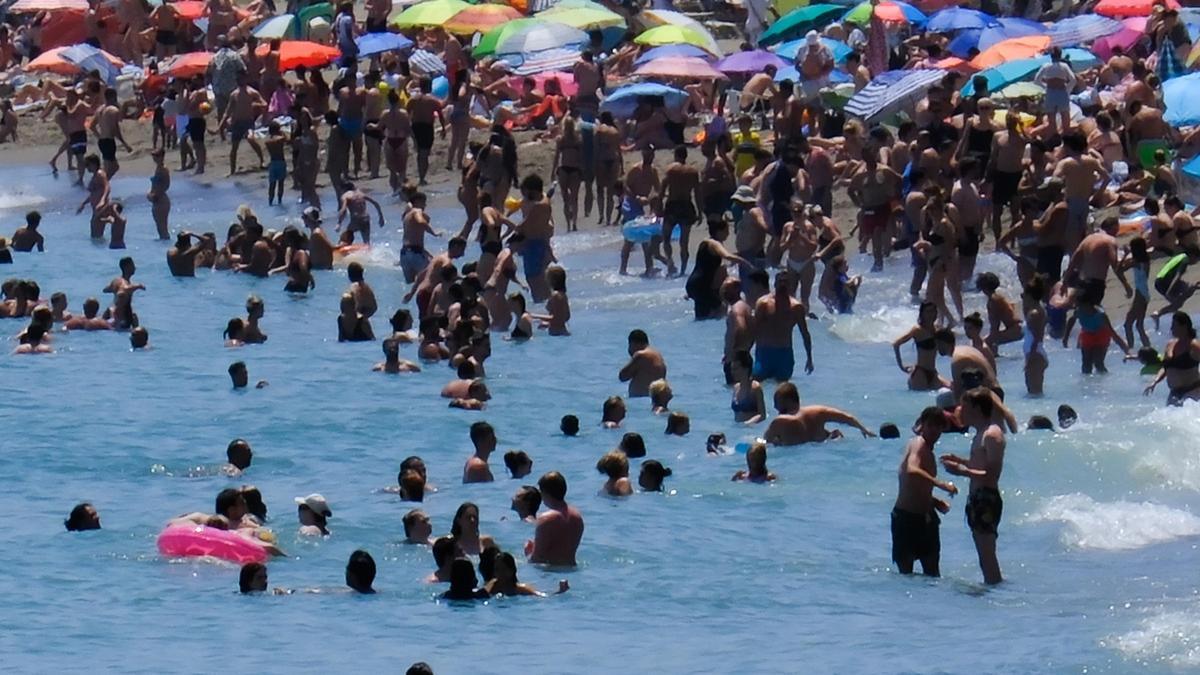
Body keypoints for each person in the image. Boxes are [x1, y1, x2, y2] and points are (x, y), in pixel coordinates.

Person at [940, 388, 1006, 585]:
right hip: (977, 498)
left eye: (965, 407)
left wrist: (960, 471)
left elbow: (992, 474)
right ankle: (991, 588)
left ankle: (994, 594)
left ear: (977, 408)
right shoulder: (980, 433)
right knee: (983, 554)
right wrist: (959, 460)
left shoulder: (992, 435)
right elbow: (980, 465)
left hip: (986, 498)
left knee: (987, 555)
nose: (960, 411)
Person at [892, 407, 958, 577]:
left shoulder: (927, 449)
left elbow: (913, 485)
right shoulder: (918, 444)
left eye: (938, 427)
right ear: (922, 425)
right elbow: (912, 469)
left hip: (925, 518)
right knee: (906, 576)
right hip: (906, 518)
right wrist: (940, 484)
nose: (934, 431)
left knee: (933, 576)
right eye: (930, 426)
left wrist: (933, 501)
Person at [763, 383, 875, 445]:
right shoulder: (817, 412)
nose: (775, 407)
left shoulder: (779, 422)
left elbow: (765, 442)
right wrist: (863, 429)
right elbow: (847, 418)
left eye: (777, 402)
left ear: (788, 401)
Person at [752, 270, 814, 380]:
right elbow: (753, 329)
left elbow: (805, 333)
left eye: (786, 282)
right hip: (764, 352)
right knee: (758, 383)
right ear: (775, 284)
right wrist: (744, 352)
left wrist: (809, 358)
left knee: (783, 389)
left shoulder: (796, 307)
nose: (783, 284)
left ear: (790, 285)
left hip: (784, 353)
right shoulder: (763, 304)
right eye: (780, 281)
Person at [526, 471, 584, 566]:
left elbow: (537, 558)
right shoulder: (577, 516)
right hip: (571, 568)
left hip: (550, 571)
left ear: (546, 493)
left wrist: (528, 552)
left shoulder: (546, 518)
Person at [1144, 311, 1200, 406]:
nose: (1171, 328)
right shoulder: (1170, 344)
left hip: (1192, 391)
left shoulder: (1193, 345)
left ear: (1184, 326)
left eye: (1174, 325)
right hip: (1174, 393)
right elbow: (1165, 367)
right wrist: (1154, 382)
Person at [892, 302, 946, 391]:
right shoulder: (918, 330)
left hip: (933, 371)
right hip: (920, 373)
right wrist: (901, 366)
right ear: (922, 314)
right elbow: (896, 344)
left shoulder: (937, 329)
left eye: (933, 311)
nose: (931, 314)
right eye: (928, 312)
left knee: (950, 388)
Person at [618, 329, 667, 397]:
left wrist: (633, 356)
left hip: (640, 399)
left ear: (633, 343)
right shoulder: (657, 355)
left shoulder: (640, 355)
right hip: (653, 398)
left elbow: (622, 376)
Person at [728, 350, 766, 424]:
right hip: (738, 428)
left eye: (736, 369)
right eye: (732, 369)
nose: (733, 372)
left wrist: (747, 423)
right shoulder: (736, 388)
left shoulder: (755, 388)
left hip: (751, 430)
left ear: (746, 369)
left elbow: (762, 415)